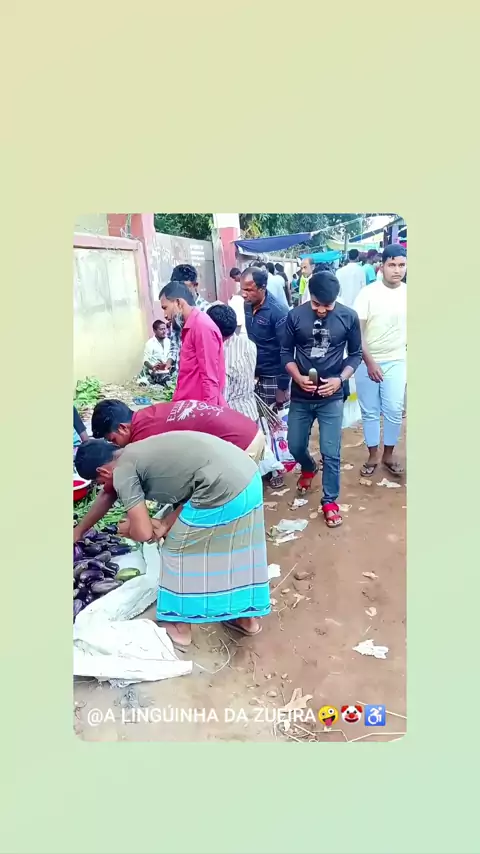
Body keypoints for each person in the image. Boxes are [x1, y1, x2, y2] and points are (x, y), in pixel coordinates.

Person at [74, 433, 271, 648]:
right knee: (232, 548)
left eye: (101, 482)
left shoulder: (122, 471)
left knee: (176, 551)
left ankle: (178, 627)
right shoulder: (134, 452)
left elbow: (144, 533)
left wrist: (130, 528)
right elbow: (108, 495)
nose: (104, 486)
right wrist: (78, 532)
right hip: (247, 476)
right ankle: (245, 619)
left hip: (223, 489)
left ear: (103, 472)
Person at [74, 394, 265, 541]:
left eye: (113, 440)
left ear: (123, 428)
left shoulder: (140, 442)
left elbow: (110, 493)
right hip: (248, 431)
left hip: (239, 446)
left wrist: (150, 525)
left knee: (205, 517)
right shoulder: (146, 416)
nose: (116, 446)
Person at [281, 270, 362, 527]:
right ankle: (308, 467)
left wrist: (340, 379)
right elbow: (285, 352)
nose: (322, 310)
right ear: (310, 295)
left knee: (330, 451)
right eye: (317, 304)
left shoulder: (348, 316)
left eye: (328, 305)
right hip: (301, 396)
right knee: (294, 446)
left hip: (332, 396)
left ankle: (330, 500)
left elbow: (356, 354)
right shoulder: (295, 316)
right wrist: (297, 377)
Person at [353, 244, 407, 477]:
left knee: (394, 409)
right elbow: (357, 333)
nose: (397, 270)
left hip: (397, 359)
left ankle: (389, 454)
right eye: (392, 265)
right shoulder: (368, 294)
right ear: (382, 266)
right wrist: (370, 362)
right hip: (367, 361)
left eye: (402, 265)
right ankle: (373, 454)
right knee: (370, 411)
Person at [160, 281, 226, 406]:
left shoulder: (201, 326)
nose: (165, 315)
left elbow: (210, 378)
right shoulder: (189, 326)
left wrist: (209, 413)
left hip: (200, 408)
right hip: (188, 405)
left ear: (178, 303)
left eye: (165, 308)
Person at [242, 266, 289, 409]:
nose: (244, 294)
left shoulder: (279, 312)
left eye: (249, 290)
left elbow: (287, 350)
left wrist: (282, 387)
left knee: (274, 420)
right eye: (242, 289)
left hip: (273, 379)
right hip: (254, 375)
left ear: (262, 288)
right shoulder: (247, 305)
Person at [206, 304, 259, 424]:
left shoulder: (222, 356)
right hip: (250, 411)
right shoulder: (249, 344)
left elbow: (223, 395)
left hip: (233, 419)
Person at [165, 264, 211, 372]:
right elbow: (175, 341)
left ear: (195, 285)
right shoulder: (176, 310)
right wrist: (170, 361)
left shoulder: (207, 311)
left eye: (185, 288)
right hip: (181, 374)